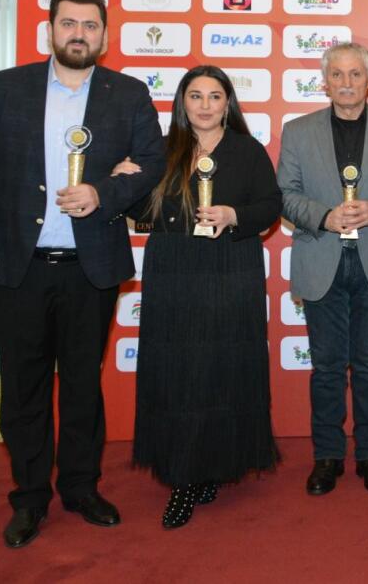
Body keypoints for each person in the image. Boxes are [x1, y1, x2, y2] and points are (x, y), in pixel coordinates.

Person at [0, 0, 165, 548]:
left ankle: (80, 487)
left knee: (82, 386)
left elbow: (152, 164)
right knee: (23, 388)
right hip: (16, 266)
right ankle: (28, 497)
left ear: (104, 36)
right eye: (68, 23)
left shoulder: (128, 94)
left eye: (90, 25)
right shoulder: (5, 88)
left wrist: (103, 192)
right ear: (50, 30)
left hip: (89, 268)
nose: (78, 34)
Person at [121, 65, 282, 529]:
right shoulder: (160, 149)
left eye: (215, 96)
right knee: (180, 373)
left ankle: (213, 465)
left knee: (222, 370)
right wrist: (124, 180)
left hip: (230, 269)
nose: (205, 105)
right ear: (182, 102)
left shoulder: (247, 150)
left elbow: (270, 206)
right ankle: (184, 474)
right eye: (196, 96)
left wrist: (234, 215)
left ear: (228, 103)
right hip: (174, 271)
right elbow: (141, 211)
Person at [278, 42, 368, 497]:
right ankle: (327, 456)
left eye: (356, 74)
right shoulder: (298, 131)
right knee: (327, 366)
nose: (347, 83)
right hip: (322, 257)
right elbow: (285, 193)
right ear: (325, 82)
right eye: (337, 74)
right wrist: (323, 216)